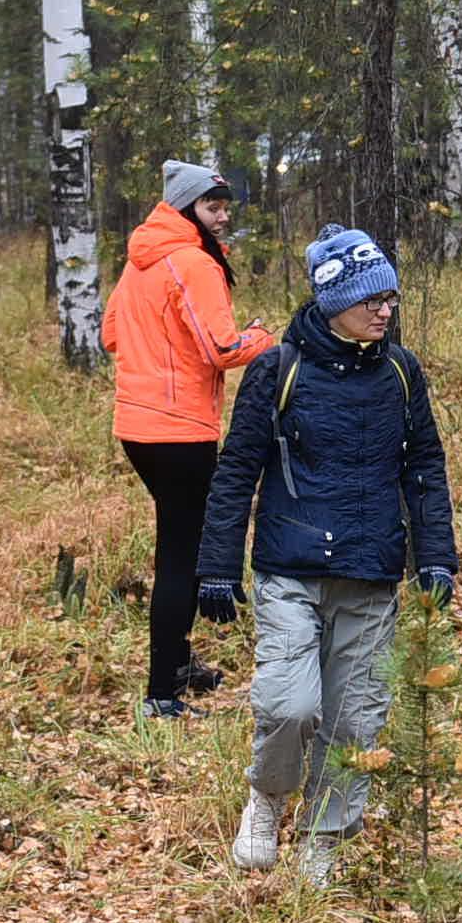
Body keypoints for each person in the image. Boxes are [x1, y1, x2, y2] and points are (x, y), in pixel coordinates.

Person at [197, 229, 458, 887]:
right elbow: (236, 471)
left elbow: (424, 465)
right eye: (372, 298)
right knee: (290, 706)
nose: (385, 310)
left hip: (371, 570)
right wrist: (218, 566)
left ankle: (323, 839)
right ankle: (266, 797)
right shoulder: (275, 370)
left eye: (391, 298)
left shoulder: (402, 371)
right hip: (290, 565)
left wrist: (437, 558)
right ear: (334, 298)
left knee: (354, 721)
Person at [106, 162, 277, 717]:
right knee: (183, 557)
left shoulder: (143, 260)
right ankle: (162, 694)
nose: (222, 217)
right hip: (178, 429)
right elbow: (223, 349)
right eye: (212, 207)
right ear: (186, 209)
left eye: (226, 206)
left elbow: (111, 333)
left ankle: (177, 665)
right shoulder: (190, 262)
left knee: (177, 547)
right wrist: (264, 337)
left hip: (138, 427)